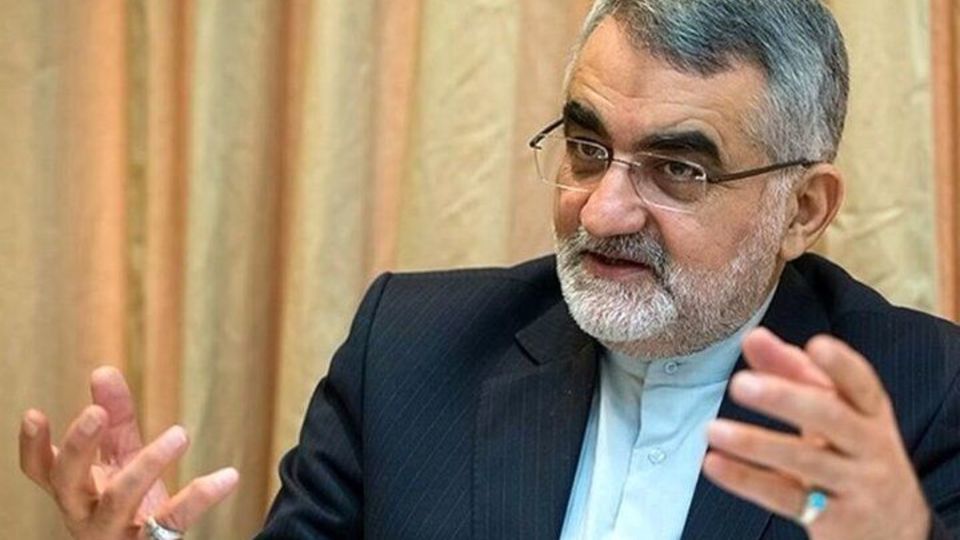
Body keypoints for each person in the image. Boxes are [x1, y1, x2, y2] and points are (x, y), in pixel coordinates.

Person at [19, 0, 960, 538]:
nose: (603, 211)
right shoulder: (410, 353)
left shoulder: (927, 398)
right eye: (587, 148)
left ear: (804, 210)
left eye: (678, 170)